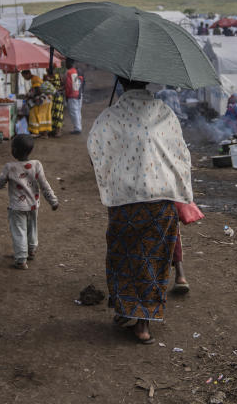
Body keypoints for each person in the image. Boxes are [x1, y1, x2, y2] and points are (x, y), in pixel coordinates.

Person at [87, 78, 192, 344]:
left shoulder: (110, 115)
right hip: (161, 200)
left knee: (122, 256)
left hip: (125, 201)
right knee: (153, 260)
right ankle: (143, 325)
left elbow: (95, 150)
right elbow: (181, 153)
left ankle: (124, 310)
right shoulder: (165, 113)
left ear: (121, 83)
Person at [0, 134, 59, 269]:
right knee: (32, 228)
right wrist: (53, 201)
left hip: (17, 208)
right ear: (30, 150)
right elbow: (44, 185)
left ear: (15, 151)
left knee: (19, 232)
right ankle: (31, 250)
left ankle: (21, 259)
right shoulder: (36, 165)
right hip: (33, 205)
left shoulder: (10, 167)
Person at [21, 70, 52, 136]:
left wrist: (29, 95)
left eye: (24, 76)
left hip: (44, 100)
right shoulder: (34, 79)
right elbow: (35, 89)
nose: (24, 78)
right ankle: (43, 132)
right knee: (43, 116)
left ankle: (36, 131)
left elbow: (38, 91)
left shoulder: (35, 79)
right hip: (46, 100)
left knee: (34, 113)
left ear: (28, 74)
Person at [64, 59, 85, 134]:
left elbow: (68, 86)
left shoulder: (69, 72)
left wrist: (67, 95)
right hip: (79, 94)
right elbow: (83, 82)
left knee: (74, 111)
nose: (65, 64)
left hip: (72, 95)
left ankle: (77, 128)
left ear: (69, 63)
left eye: (66, 63)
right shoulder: (79, 70)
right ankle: (78, 126)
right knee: (78, 111)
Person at [48, 69, 65, 138]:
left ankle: (58, 132)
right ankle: (53, 130)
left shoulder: (58, 77)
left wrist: (57, 90)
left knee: (58, 115)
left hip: (58, 98)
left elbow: (63, 86)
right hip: (53, 98)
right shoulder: (49, 78)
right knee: (53, 114)